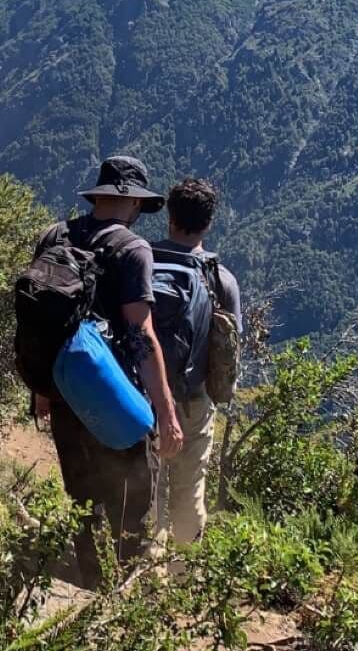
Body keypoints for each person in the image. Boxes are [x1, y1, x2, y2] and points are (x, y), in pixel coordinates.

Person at [34, 155, 184, 587]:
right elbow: (142, 335)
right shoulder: (132, 250)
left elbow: (42, 322)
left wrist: (41, 388)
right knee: (133, 500)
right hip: (115, 398)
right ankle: (117, 593)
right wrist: (167, 412)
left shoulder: (55, 235)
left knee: (83, 496)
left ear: (99, 196)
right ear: (135, 205)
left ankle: (88, 580)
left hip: (64, 391)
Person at [155, 176, 242, 546]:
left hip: (142, 396)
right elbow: (231, 350)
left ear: (169, 217)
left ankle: (141, 573)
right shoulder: (221, 280)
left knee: (148, 487)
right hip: (193, 401)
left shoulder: (139, 261)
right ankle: (181, 577)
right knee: (189, 495)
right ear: (209, 224)